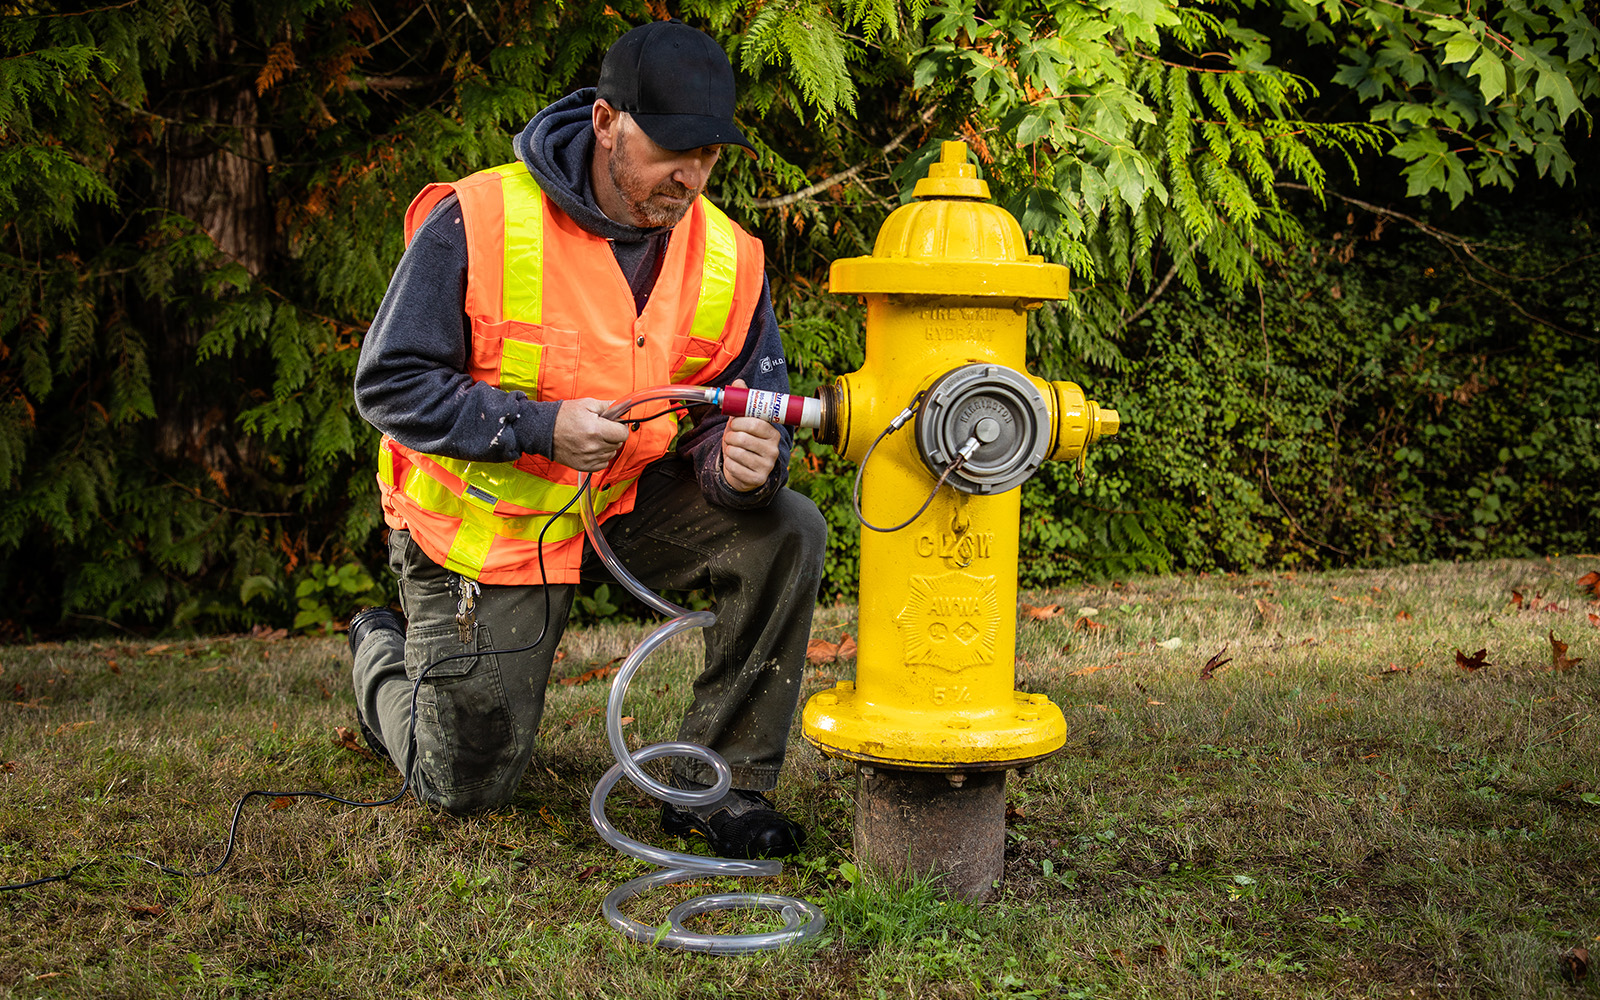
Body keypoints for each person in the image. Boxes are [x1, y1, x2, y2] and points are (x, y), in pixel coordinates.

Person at [348, 19, 826, 860]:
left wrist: (742, 463)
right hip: (491, 537)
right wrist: (540, 427)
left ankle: (718, 784)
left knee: (787, 527)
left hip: (624, 507)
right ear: (606, 121)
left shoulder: (729, 258)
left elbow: (741, 405)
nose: (692, 175)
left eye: (710, 154)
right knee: (463, 788)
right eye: (673, 148)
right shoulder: (480, 218)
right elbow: (389, 385)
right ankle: (380, 653)